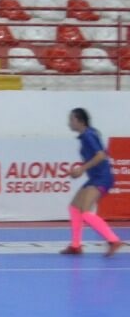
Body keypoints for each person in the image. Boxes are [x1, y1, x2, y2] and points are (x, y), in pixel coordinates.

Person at [62, 108, 123, 256]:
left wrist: (82, 169)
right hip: (95, 177)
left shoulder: (88, 135)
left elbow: (101, 155)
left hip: (102, 177)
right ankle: (76, 246)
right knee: (74, 207)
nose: (69, 122)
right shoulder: (87, 134)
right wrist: (81, 171)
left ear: (80, 121)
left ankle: (114, 240)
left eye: (72, 119)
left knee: (86, 212)